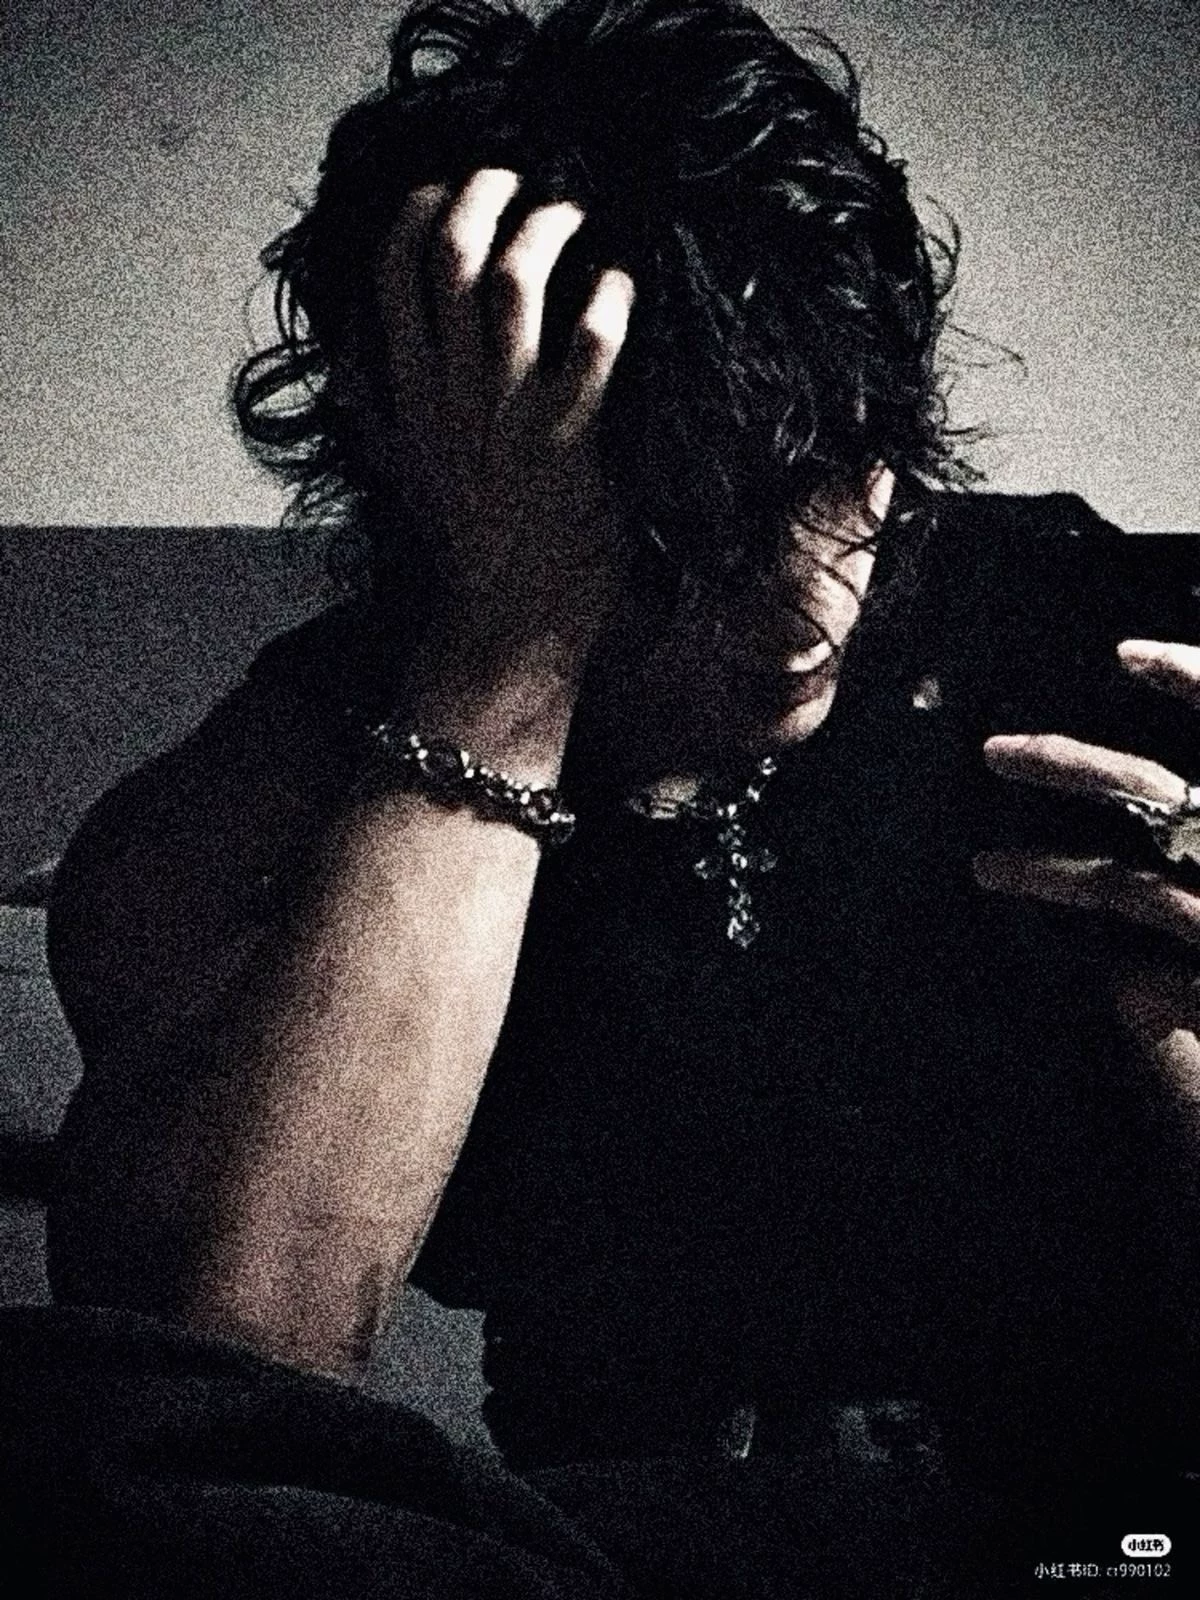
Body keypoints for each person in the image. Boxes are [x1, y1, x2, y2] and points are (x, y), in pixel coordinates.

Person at [3, 0, 1199, 1593]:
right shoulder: (269, 796)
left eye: (844, 458)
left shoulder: (1089, 645)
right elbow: (210, 1420)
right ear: (459, 471)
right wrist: (506, 656)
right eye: (687, 515)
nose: (808, 598)